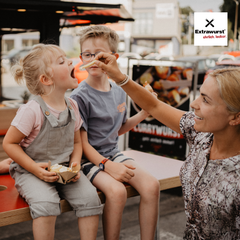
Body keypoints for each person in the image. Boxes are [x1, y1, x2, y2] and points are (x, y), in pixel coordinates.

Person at [95, 52, 240, 239]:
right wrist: (119, 77)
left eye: (205, 100)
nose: (194, 104)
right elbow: (154, 106)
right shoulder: (202, 134)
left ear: (235, 117)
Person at [2, 44, 103, 240]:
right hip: (30, 172)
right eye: (62, 61)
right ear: (46, 79)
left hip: (63, 169)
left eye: (66, 58)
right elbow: (9, 144)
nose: (71, 61)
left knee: (90, 199)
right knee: (47, 204)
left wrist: (75, 163)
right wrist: (34, 168)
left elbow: (76, 143)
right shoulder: (32, 110)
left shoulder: (72, 105)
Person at [70, 25, 160, 240]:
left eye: (99, 54)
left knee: (152, 186)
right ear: (81, 57)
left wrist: (143, 114)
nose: (93, 59)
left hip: (113, 153)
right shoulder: (78, 96)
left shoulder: (119, 91)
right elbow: (82, 145)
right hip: (86, 159)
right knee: (117, 192)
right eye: (87, 54)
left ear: (113, 57)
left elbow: (117, 129)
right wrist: (107, 166)